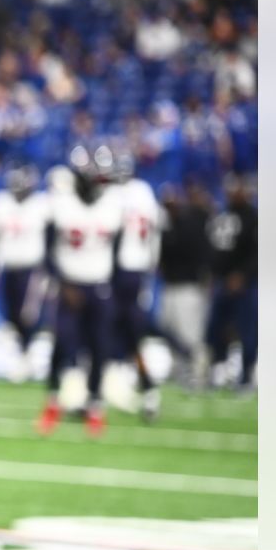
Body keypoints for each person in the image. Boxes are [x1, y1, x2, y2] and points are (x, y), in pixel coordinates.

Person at [37, 145, 123, 437]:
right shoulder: (61, 204)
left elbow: (119, 251)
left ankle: (95, 406)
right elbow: (46, 251)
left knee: (99, 348)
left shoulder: (114, 204)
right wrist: (63, 281)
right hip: (68, 286)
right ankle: (52, 402)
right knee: (62, 345)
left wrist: (113, 284)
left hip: (99, 286)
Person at [109, 150, 163, 420]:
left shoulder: (119, 196)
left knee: (120, 329)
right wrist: (152, 264)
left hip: (122, 269)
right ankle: (137, 383)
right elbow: (154, 233)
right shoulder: (145, 192)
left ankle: (137, 382)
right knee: (128, 330)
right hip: (140, 268)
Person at [0, 164, 49, 381]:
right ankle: (21, 356)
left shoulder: (42, 205)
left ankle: (26, 356)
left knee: (27, 315)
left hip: (32, 268)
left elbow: (53, 238)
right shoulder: (0, 203)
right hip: (7, 267)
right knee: (11, 315)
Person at [205, 173, 257, 391]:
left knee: (247, 330)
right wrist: (213, 274)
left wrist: (243, 275)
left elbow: (256, 252)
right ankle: (219, 368)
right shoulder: (222, 215)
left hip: (245, 284)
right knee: (215, 329)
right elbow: (215, 250)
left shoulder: (253, 217)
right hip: (222, 281)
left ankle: (246, 375)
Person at [157, 182, 212, 387]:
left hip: (189, 286)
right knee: (168, 328)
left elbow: (202, 256)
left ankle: (198, 372)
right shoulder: (167, 228)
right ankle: (177, 368)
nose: (169, 207)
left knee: (190, 333)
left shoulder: (191, 225)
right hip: (170, 286)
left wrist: (204, 280)